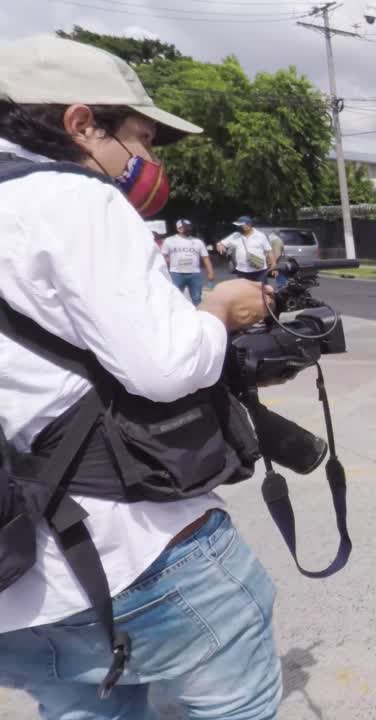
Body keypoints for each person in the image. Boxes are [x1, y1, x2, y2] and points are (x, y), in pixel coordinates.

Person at [0, 35, 282, 717]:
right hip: (134, 552)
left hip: (20, 588)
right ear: (80, 123)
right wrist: (219, 311)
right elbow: (165, 365)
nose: (149, 160)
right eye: (142, 137)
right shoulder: (72, 199)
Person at [161, 219, 215, 304]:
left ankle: (198, 315)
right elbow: (163, 256)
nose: (186, 229)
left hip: (194, 274)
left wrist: (210, 272)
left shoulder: (198, 242)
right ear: (178, 229)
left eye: (188, 227)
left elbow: (205, 257)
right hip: (176, 274)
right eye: (183, 228)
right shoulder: (169, 241)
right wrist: (168, 266)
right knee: (176, 298)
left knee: (197, 298)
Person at [217, 215, 276, 283]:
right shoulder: (235, 235)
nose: (238, 227)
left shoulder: (260, 236)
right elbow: (221, 243)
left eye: (241, 225)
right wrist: (220, 246)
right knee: (244, 292)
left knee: (261, 291)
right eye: (237, 225)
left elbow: (269, 251)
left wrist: (273, 265)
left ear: (249, 225)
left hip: (259, 271)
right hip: (242, 271)